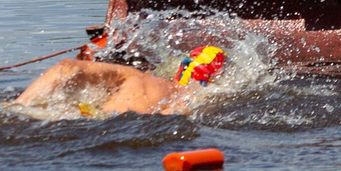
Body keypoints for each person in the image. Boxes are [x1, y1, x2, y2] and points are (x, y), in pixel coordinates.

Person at [17, 44, 225, 116]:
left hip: (88, 120)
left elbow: (67, 68)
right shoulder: (199, 101)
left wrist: (16, 106)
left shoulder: (138, 78)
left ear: (180, 69)